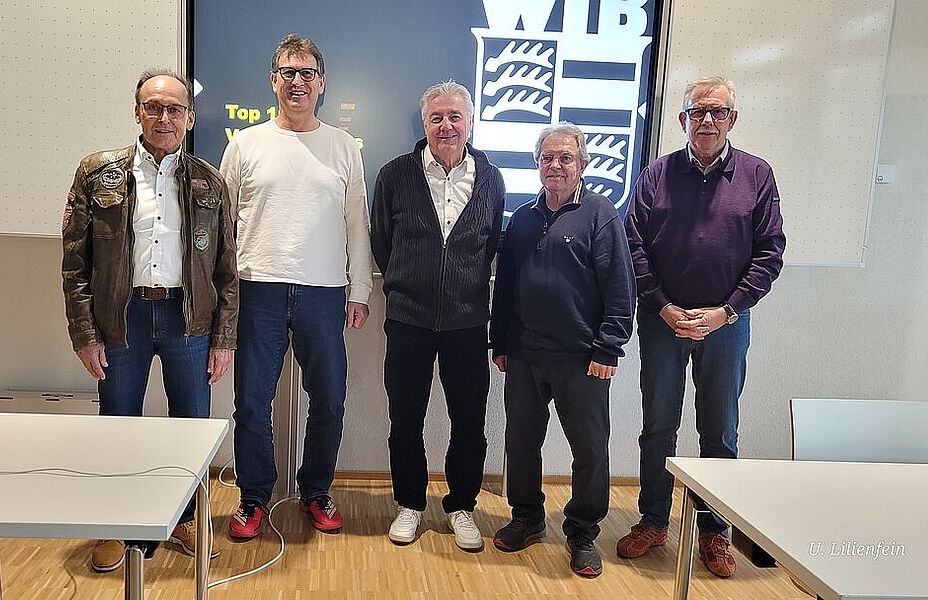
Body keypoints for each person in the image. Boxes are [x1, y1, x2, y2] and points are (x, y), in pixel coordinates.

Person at [61, 69, 237, 572]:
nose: (164, 117)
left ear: (190, 118)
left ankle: (184, 519)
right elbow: (74, 263)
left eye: (174, 109)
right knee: (118, 426)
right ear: (137, 112)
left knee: (190, 429)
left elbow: (227, 269)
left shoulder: (210, 181)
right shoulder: (97, 173)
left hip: (189, 320)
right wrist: (84, 334)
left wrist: (223, 339)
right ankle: (116, 524)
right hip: (122, 320)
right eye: (153, 107)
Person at [618, 76, 785, 578]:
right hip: (663, 322)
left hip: (726, 324)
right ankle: (654, 520)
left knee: (720, 431)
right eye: (697, 111)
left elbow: (770, 253)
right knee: (658, 426)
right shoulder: (656, 174)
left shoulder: (757, 175)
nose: (707, 120)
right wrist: (663, 307)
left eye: (717, 111)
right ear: (683, 119)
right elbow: (633, 245)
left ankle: (715, 531)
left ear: (732, 119)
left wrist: (726, 311)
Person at [219, 34, 372, 539]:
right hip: (257, 288)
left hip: (323, 292)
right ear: (274, 81)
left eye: (308, 73)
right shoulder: (244, 145)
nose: (298, 81)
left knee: (329, 400)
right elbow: (222, 228)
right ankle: (254, 497)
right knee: (251, 402)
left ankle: (315, 490)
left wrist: (360, 289)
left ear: (321, 84)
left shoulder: (343, 146)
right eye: (289, 72)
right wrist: (224, 295)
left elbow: (357, 223)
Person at [490, 123, 635, 577]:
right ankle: (527, 517)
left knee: (589, 449)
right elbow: (505, 286)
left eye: (565, 158)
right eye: (547, 158)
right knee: (521, 442)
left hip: (583, 358)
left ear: (582, 164)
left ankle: (583, 532)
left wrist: (608, 348)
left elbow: (620, 288)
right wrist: (500, 340)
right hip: (525, 354)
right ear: (537, 164)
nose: (555, 165)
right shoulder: (522, 218)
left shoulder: (601, 214)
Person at [370, 80, 505, 552]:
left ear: (470, 123)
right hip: (408, 320)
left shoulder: (491, 179)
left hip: (468, 323)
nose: (446, 126)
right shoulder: (394, 175)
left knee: (469, 421)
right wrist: (409, 282)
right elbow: (382, 242)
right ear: (424, 124)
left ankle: (461, 505)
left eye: (455, 117)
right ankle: (409, 503)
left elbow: (491, 244)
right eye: (436, 118)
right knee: (405, 419)